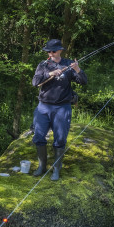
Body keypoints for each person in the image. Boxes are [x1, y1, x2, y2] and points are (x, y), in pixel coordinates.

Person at [31, 38, 87, 181]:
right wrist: (50, 74)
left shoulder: (68, 64)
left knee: (60, 139)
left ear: (60, 50)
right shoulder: (43, 65)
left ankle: (56, 169)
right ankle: (42, 167)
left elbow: (83, 82)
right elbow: (35, 82)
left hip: (62, 107)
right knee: (38, 137)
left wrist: (77, 69)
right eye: (48, 51)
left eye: (53, 50)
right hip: (43, 106)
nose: (51, 53)